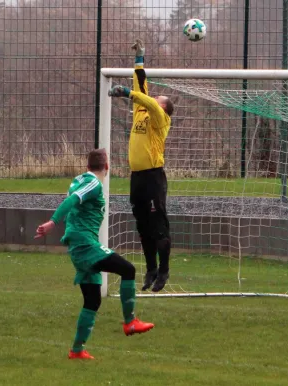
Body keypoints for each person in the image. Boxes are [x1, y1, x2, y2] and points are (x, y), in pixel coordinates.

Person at [35, 149, 154, 360]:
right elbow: (71, 201)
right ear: (107, 167)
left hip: (78, 247)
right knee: (128, 270)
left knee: (92, 301)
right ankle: (130, 322)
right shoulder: (93, 183)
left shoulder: (78, 179)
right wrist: (53, 222)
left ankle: (77, 350)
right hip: (85, 245)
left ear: (87, 165)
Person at [108, 38, 174, 292]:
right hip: (137, 179)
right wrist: (139, 59)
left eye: (158, 100)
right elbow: (141, 86)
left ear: (164, 109)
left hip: (153, 178)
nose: (153, 100)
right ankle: (151, 270)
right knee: (143, 228)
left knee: (158, 229)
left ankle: (164, 271)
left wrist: (127, 93)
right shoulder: (141, 113)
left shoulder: (161, 119)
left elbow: (142, 97)